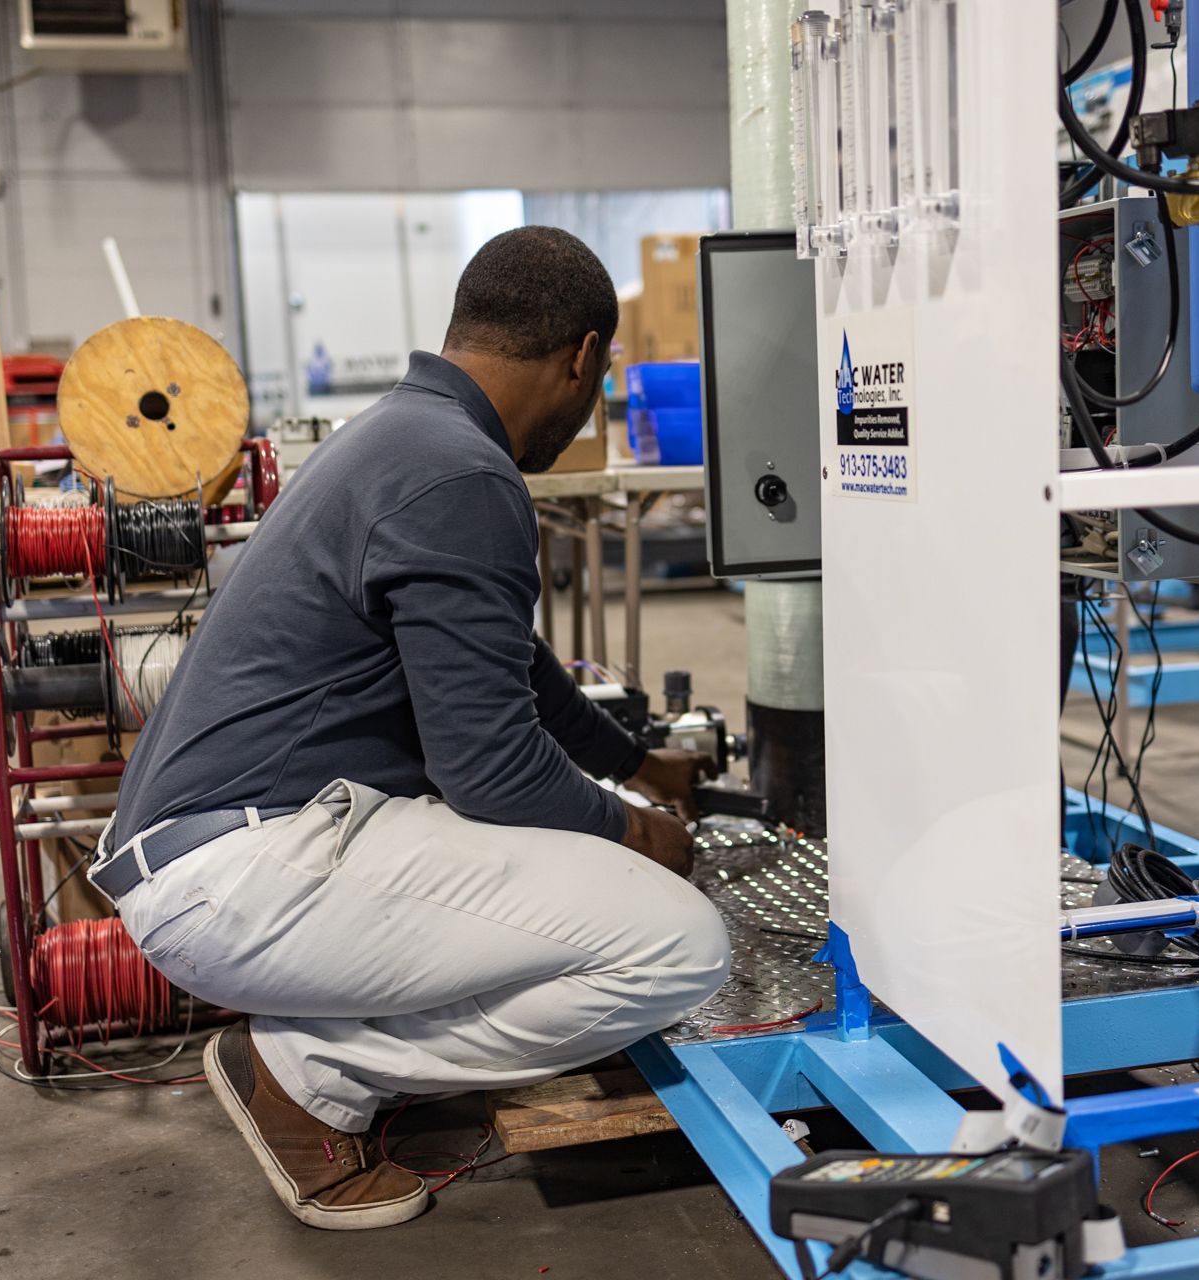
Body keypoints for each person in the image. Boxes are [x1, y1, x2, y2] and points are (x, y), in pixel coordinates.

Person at [92, 226, 731, 1230]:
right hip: (245, 869)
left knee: (590, 890)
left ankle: (313, 1049)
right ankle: (310, 1070)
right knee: (678, 946)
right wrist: (635, 828)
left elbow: (513, 666)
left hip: (217, 842)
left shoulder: (404, 431)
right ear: (583, 356)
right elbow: (492, 770)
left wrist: (637, 760)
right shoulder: (465, 477)